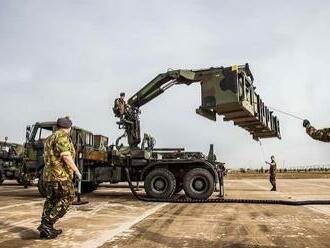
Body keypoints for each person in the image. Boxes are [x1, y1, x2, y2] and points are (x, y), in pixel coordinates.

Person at [37, 117, 82, 239]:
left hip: (49, 176)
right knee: (68, 197)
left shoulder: (50, 137)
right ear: (69, 127)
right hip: (60, 176)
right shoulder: (62, 136)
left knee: (51, 199)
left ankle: (46, 228)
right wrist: (76, 171)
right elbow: (66, 156)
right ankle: (47, 224)